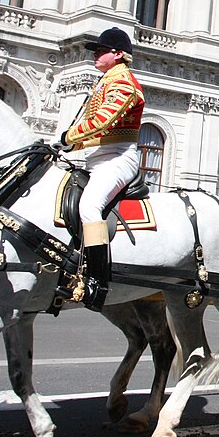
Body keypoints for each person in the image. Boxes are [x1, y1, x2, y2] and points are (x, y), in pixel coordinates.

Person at [59, 27, 144, 310]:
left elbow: (102, 122)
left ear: (118, 54)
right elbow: (98, 132)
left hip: (119, 158)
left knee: (90, 206)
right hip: (99, 156)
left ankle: (97, 279)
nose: (96, 54)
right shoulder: (105, 81)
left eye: (102, 50)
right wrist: (71, 147)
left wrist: (68, 137)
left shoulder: (124, 83)